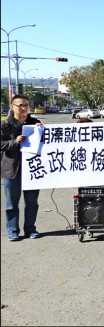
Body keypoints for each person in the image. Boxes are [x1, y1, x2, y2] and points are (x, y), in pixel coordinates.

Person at [1, 95, 43, 241]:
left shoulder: (35, 123)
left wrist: (41, 131)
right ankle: (12, 231)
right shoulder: (4, 125)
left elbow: (47, 142)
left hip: (32, 169)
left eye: (26, 105)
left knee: (32, 202)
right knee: (11, 204)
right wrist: (14, 142)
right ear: (12, 107)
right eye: (20, 105)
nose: (24, 108)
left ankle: (30, 229)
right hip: (11, 169)